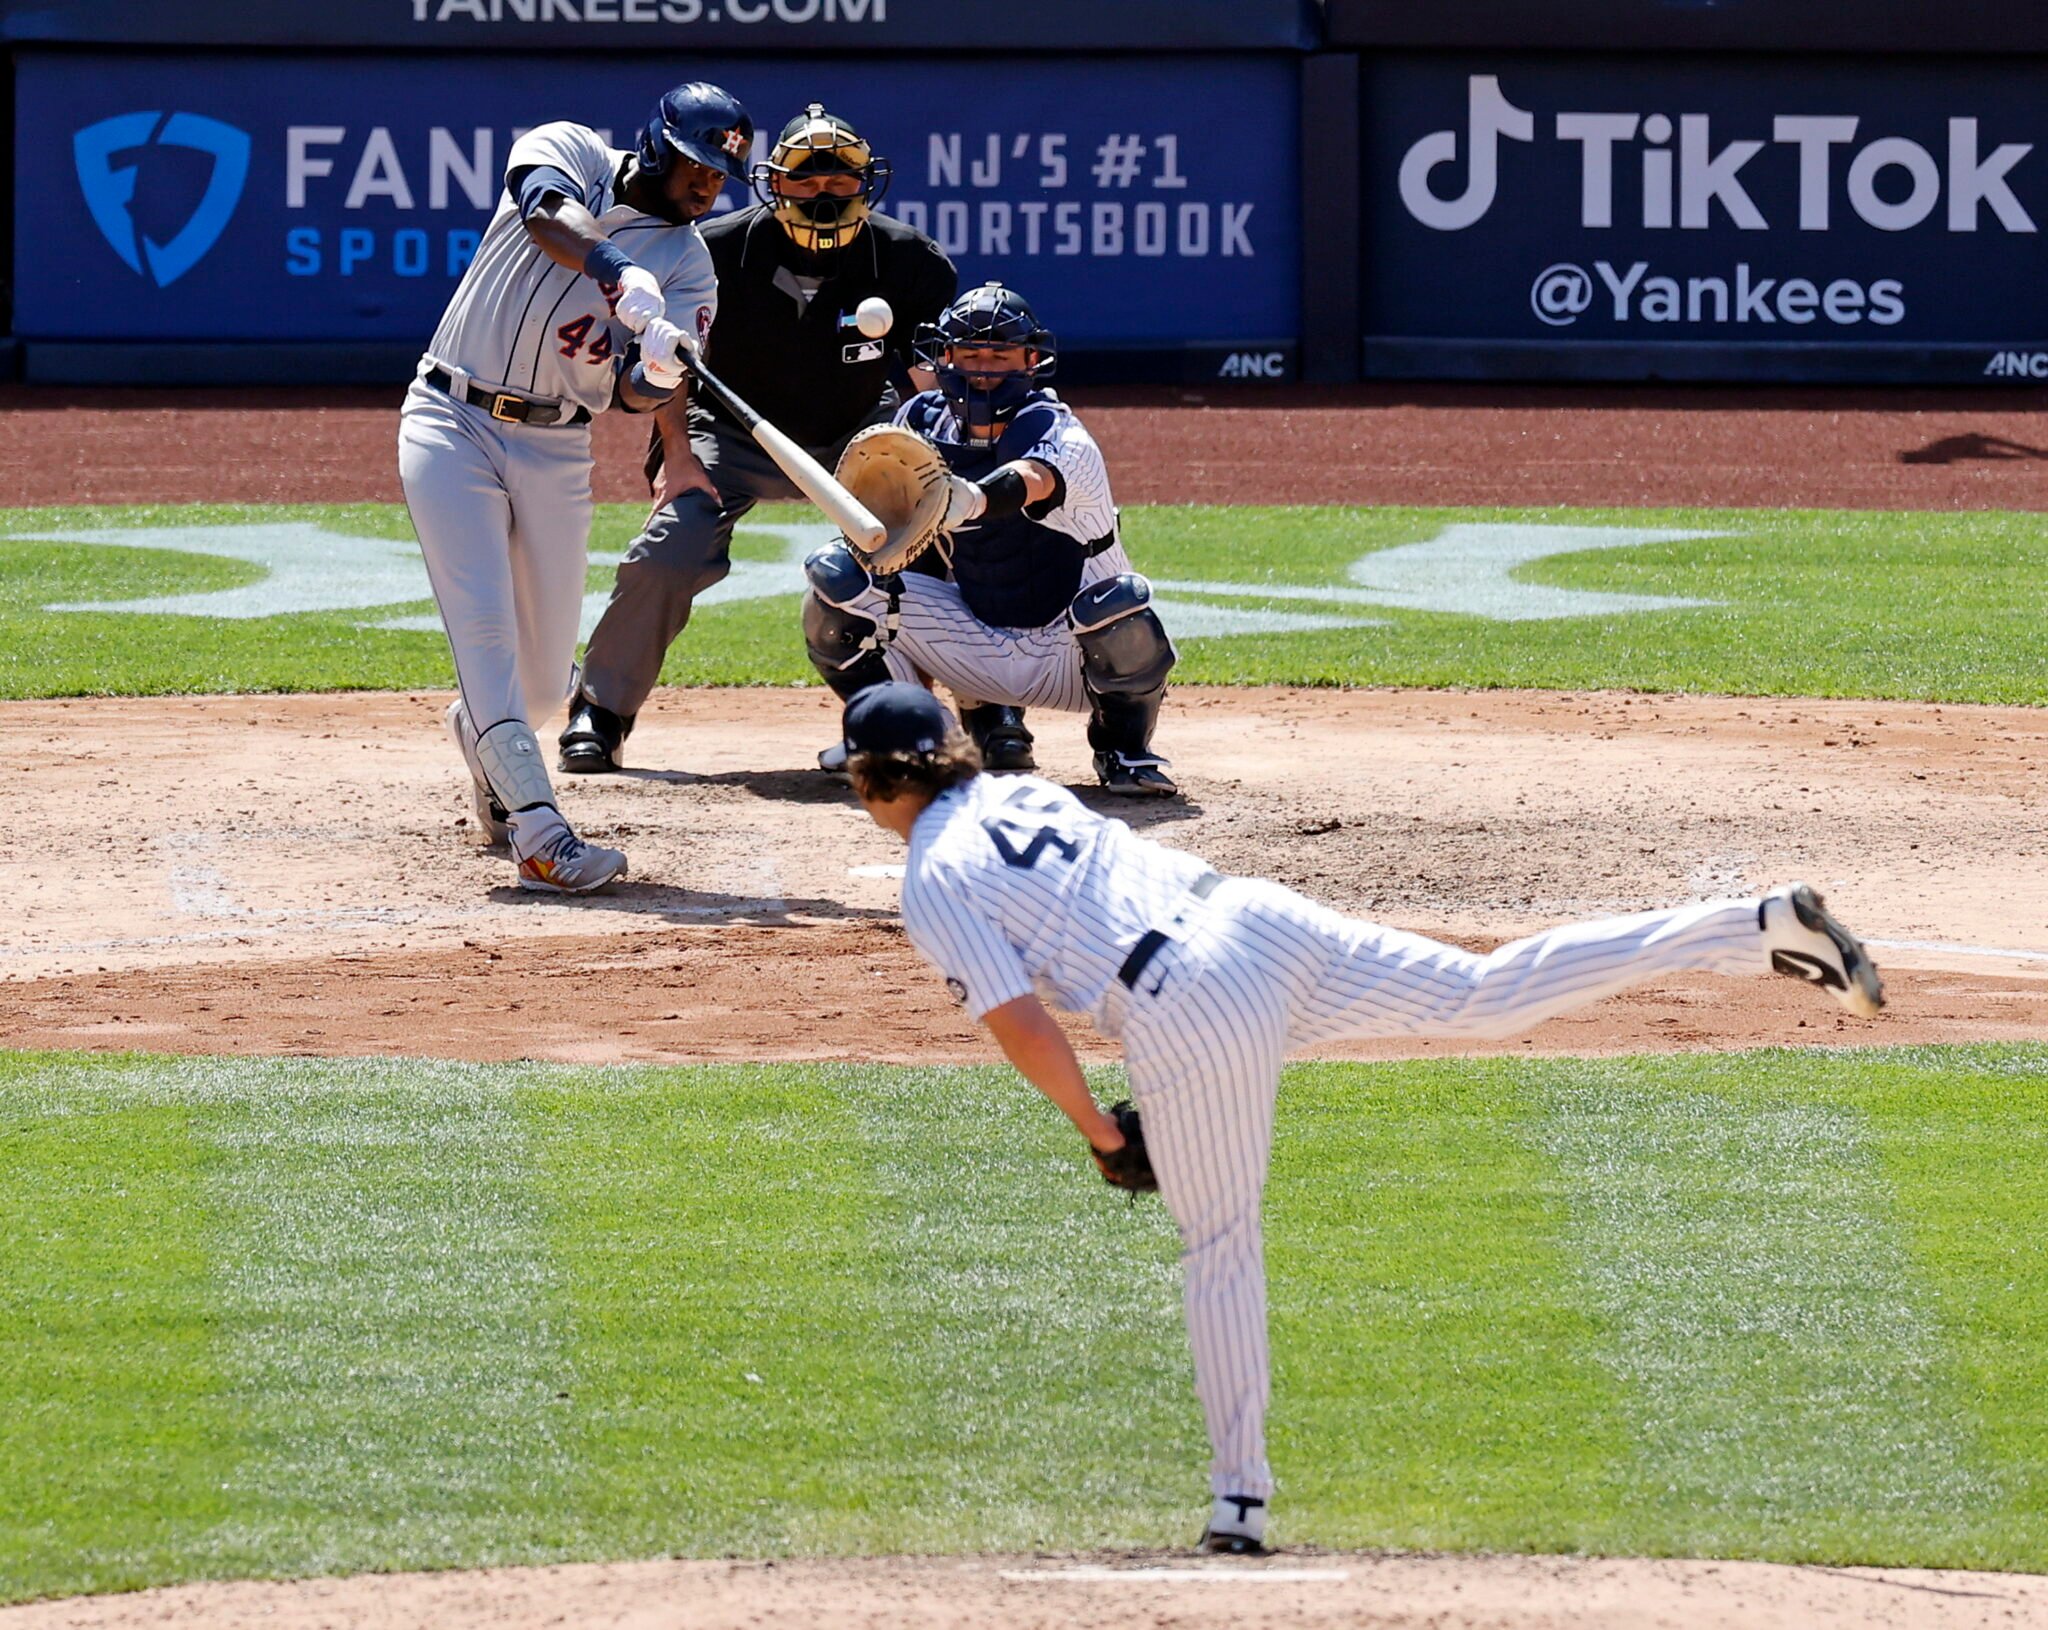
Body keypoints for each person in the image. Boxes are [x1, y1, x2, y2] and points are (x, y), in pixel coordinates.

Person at [835, 681, 1887, 1554]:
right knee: (1489, 994)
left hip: (1186, 997)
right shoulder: (1028, 798)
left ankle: (1236, 1502)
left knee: (1218, 1245)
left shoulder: (932, 875)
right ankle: (1750, 924)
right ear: (953, 750)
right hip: (1257, 920)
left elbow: (1021, 1026)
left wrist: (1102, 1134)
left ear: (865, 777)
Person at [398, 82, 752, 891]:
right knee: (485, 635)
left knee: (546, 681)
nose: (707, 186)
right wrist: (619, 270)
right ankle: (537, 832)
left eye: (720, 175)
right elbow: (542, 212)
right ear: (659, 145)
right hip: (452, 418)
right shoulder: (576, 150)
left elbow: (626, 394)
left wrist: (657, 374)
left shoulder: (694, 268)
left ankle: (490, 746)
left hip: (557, 445)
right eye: (696, 165)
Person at [559, 103, 957, 773]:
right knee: (672, 544)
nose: (823, 197)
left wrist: (938, 470)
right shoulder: (712, 249)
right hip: (729, 427)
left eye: (839, 183)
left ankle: (969, 715)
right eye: (805, 181)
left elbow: (929, 380)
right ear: (774, 184)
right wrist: (677, 456)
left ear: (866, 186)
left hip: (855, 431)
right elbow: (668, 360)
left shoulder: (909, 261)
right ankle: (600, 711)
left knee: (933, 539)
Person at [801, 282, 1179, 797]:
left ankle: (1123, 751)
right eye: (970, 352)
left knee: (1119, 608)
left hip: (1071, 656)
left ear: (1030, 359)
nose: (983, 367)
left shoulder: (1062, 433)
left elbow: (1034, 479)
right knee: (837, 578)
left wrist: (969, 500)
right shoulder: (917, 423)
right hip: (971, 638)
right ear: (944, 356)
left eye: (1000, 354)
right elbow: (897, 548)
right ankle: (901, 737)